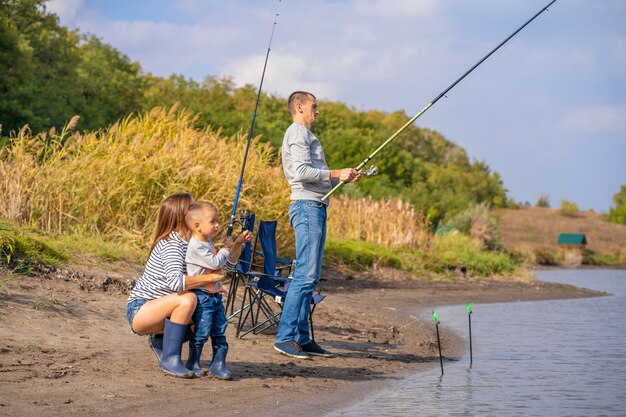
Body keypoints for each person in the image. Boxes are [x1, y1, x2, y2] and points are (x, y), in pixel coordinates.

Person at [274, 91, 361, 359]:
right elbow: (300, 173)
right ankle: (285, 338)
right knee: (305, 275)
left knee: (309, 275)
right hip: (306, 207)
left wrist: (342, 178)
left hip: (315, 206)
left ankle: (301, 338)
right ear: (299, 107)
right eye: (314, 106)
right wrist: (336, 172)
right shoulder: (298, 133)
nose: (317, 111)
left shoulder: (305, 135)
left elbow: (313, 176)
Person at [126, 193, 225, 378]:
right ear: (182, 215)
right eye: (191, 208)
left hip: (165, 308)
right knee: (188, 299)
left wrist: (234, 247)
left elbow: (218, 265)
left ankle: (162, 341)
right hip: (141, 309)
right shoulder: (171, 244)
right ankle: (170, 360)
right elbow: (175, 282)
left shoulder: (193, 243)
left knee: (208, 306)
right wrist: (210, 278)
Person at [184, 201, 252, 379]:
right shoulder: (196, 246)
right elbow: (215, 263)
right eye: (213, 222)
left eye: (217, 221)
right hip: (202, 296)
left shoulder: (208, 243)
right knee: (202, 330)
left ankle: (218, 363)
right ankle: (193, 362)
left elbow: (223, 267)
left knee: (219, 328)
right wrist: (226, 249)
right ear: (197, 226)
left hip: (214, 296)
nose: (217, 225)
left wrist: (236, 245)